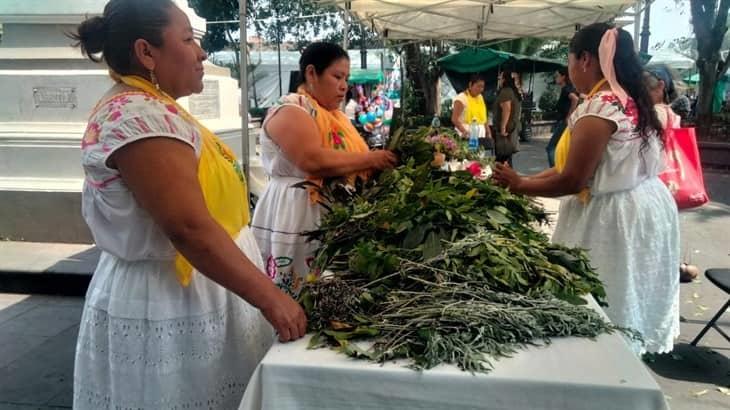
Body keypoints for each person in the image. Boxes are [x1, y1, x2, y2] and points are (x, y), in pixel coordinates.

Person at [70, 1, 307, 408]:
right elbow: (189, 229)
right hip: (168, 297)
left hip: (202, 287)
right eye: (188, 40)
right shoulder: (138, 120)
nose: (201, 53)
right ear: (147, 53)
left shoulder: (153, 109)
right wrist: (272, 299)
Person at [492, 23, 680, 356]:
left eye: (569, 60)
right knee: (629, 293)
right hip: (647, 205)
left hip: (612, 219)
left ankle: (603, 367)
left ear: (585, 60)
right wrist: (525, 183)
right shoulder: (634, 100)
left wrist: (521, 185)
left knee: (602, 300)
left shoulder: (599, 108)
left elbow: (573, 179)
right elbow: (574, 168)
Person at [251, 42, 397, 297]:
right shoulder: (292, 109)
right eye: (337, 76)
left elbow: (349, 161)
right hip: (296, 212)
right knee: (295, 293)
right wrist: (372, 160)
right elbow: (312, 161)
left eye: (346, 79)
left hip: (328, 213)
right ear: (311, 74)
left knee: (328, 293)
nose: (344, 86)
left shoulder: (337, 117)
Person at [546, 67, 579, 167]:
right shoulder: (569, 88)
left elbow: (575, 99)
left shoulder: (566, 89)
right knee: (562, 148)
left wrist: (569, 116)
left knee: (551, 147)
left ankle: (555, 170)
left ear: (563, 77)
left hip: (564, 122)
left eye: (557, 76)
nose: (556, 78)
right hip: (563, 121)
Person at [451, 74, 493, 146]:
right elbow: (454, 119)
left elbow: (484, 117)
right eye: (478, 86)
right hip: (466, 134)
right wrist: (464, 131)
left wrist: (488, 132)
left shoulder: (480, 97)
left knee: (480, 156)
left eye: (482, 87)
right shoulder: (461, 98)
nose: (481, 89)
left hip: (480, 135)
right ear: (470, 85)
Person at [493, 68, 523, 165]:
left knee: (502, 157)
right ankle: (508, 177)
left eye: (500, 78)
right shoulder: (514, 92)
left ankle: (503, 178)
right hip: (512, 127)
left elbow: (507, 109)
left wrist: (502, 127)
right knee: (507, 157)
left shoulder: (506, 91)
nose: (499, 80)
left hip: (506, 130)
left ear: (505, 79)